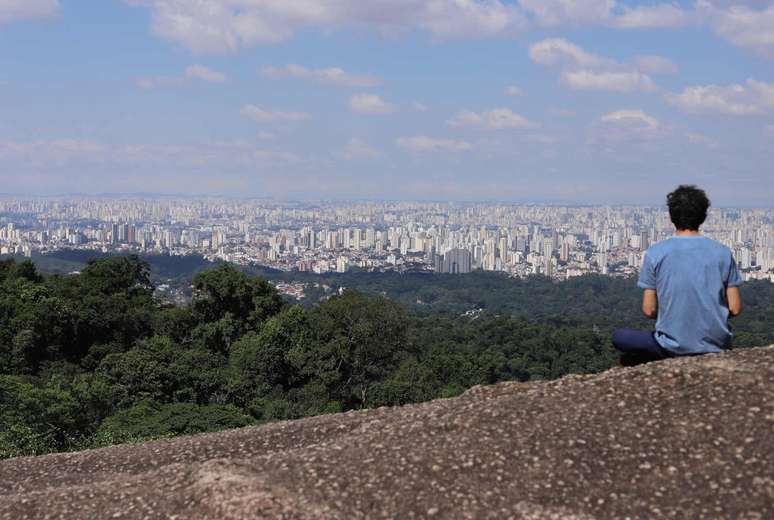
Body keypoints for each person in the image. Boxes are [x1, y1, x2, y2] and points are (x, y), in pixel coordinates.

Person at [613, 185, 743, 365]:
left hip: (670, 346)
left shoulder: (656, 253)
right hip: (717, 345)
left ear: (671, 216)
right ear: (703, 216)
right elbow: (735, 308)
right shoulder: (723, 253)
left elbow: (648, 309)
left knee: (619, 337)